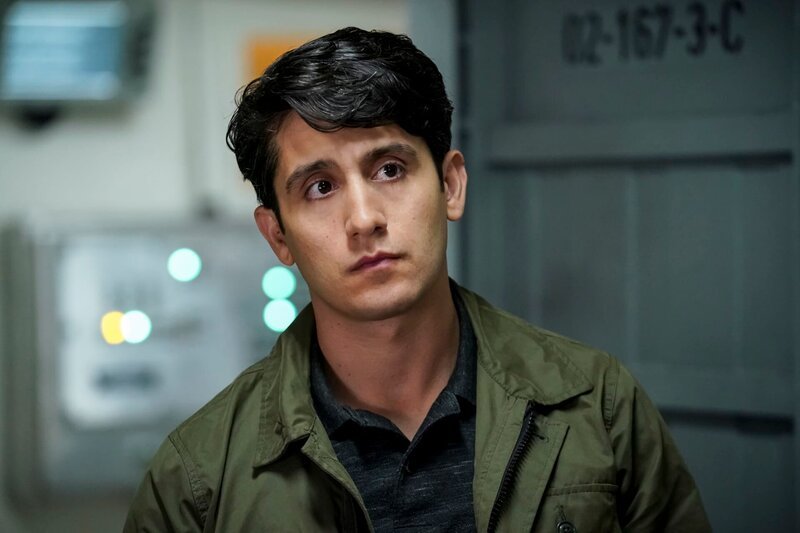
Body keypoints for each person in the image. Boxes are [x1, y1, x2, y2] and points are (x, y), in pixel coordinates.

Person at [124, 27, 710, 532]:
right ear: (277, 235)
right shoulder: (197, 483)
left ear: (450, 186)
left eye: (389, 169)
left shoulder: (597, 406)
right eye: (320, 188)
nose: (363, 219)